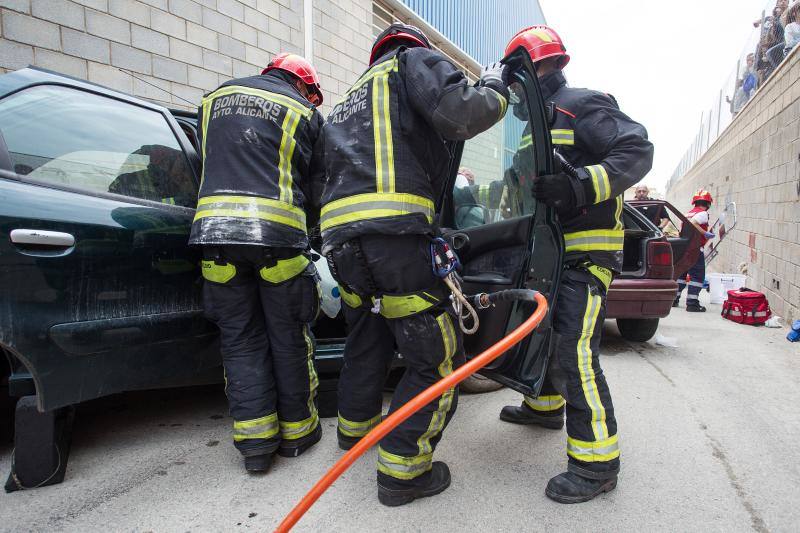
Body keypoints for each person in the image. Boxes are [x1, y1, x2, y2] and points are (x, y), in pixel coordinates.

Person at [321, 22, 509, 506]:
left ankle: (354, 434)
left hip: (343, 245)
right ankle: (404, 473)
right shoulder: (411, 62)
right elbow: (461, 112)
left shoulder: (347, 99)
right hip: (395, 238)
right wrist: (493, 87)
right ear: (411, 48)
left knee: (368, 334)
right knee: (437, 358)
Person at [498, 25, 654, 504]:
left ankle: (595, 465)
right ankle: (545, 406)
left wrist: (579, 185)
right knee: (542, 335)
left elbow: (637, 150)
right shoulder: (533, 129)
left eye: (515, 75)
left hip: (585, 255)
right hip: (547, 254)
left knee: (574, 350)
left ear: (537, 66)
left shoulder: (580, 105)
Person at [189, 53, 327, 473]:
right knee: (287, 337)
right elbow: (316, 184)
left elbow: (206, 163)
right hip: (277, 241)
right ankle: (298, 435)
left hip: (216, 244)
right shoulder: (303, 112)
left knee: (240, 340)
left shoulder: (212, 102)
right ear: (303, 86)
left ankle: (255, 446)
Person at [674, 190, 715, 312]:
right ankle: (692, 303)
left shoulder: (689, 213)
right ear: (708, 203)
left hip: (685, 248)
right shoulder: (702, 213)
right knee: (697, 276)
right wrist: (705, 233)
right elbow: (693, 223)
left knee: (681, 274)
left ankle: (674, 299)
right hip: (695, 249)